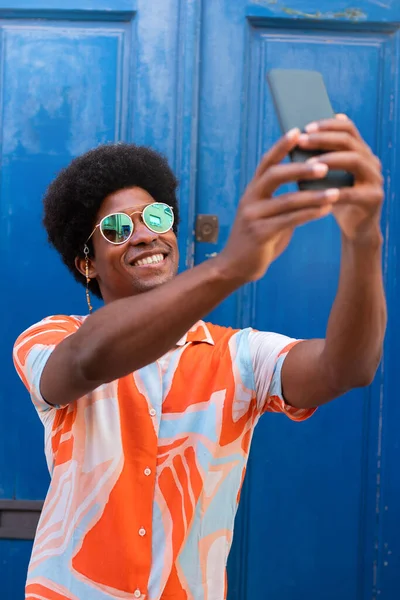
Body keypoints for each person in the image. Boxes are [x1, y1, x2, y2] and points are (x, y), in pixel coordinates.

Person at [13, 116, 386, 600]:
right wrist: (230, 266)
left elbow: (347, 367)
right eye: (118, 227)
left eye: (157, 217)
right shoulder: (51, 339)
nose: (145, 235)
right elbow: (87, 360)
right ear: (87, 262)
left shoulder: (241, 355)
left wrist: (364, 239)